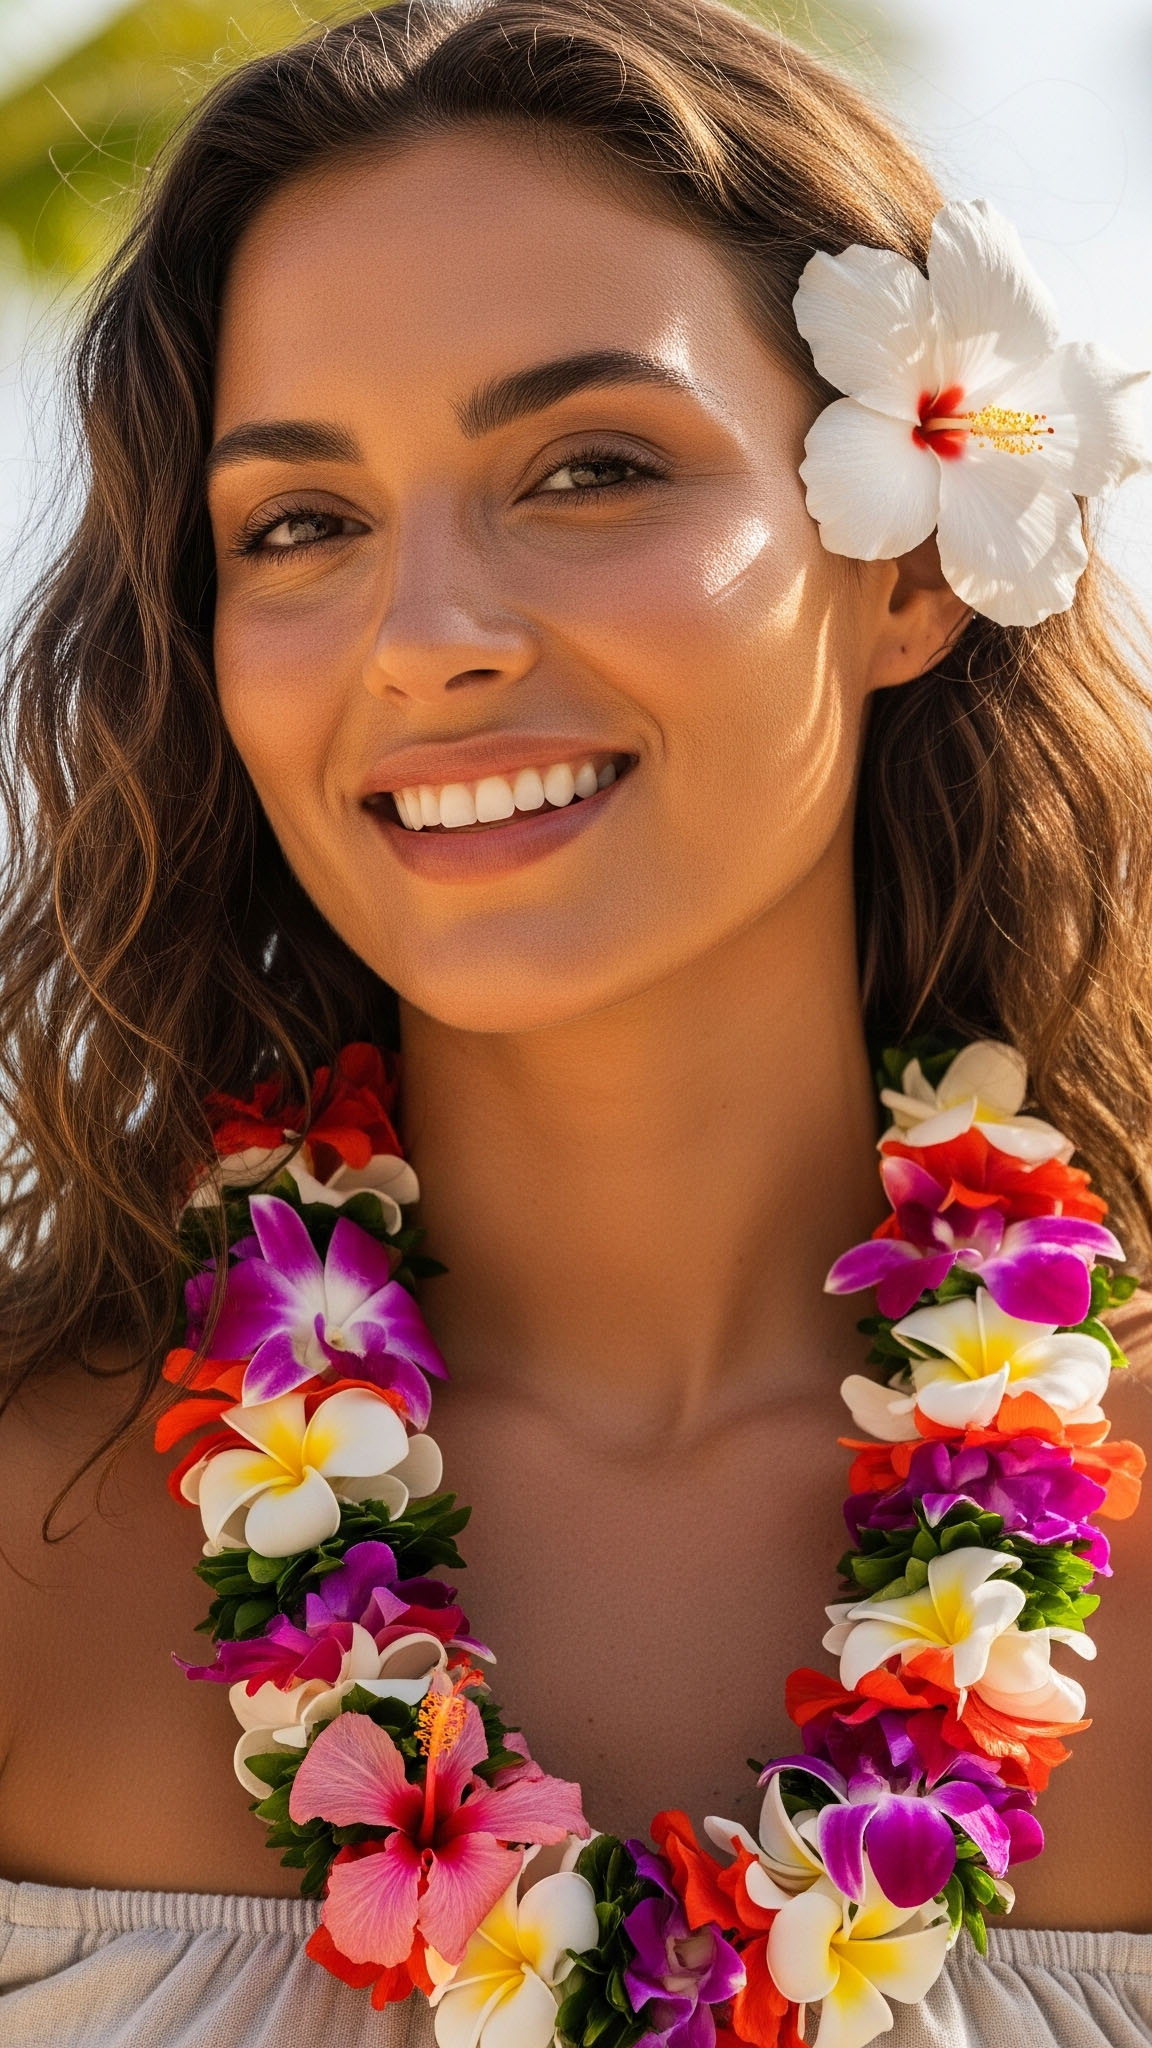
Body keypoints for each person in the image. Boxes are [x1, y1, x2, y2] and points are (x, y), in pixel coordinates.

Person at [0, 1, 1149, 2042]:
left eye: (593, 468)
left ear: (908, 565)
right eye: (303, 522)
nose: (427, 637)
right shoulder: (30, 1528)